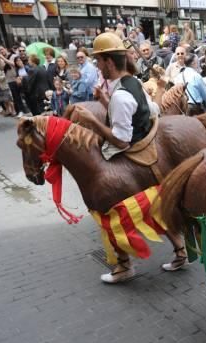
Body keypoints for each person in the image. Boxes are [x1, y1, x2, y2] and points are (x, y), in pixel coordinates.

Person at [70, 33, 159, 284]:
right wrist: (104, 100)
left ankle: (124, 265)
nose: (97, 66)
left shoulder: (121, 94)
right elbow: (125, 112)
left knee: (103, 197)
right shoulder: (130, 82)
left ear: (109, 62)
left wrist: (92, 122)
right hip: (140, 136)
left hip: (128, 149)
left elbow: (121, 140)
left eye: (99, 61)